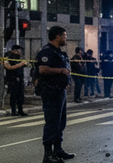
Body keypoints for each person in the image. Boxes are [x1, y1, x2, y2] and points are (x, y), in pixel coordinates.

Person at [37, 26, 74, 162]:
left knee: (60, 122)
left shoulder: (60, 53)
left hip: (60, 91)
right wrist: (61, 71)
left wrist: (66, 82)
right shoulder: (46, 52)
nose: (65, 38)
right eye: (64, 35)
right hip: (50, 91)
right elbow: (43, 69)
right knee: (52, 122)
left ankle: (58, 150)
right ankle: (48, 154)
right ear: (57, 36)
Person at [4, 44, 28, 116]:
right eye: (17, 51)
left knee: (20, 96)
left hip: (20, 79)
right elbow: (8, 67)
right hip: (13, 79)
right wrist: (20, 64)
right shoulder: (8, 57)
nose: (19, 52)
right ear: (13, 51)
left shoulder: (19, 58)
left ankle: (20, 110)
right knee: (13, 95)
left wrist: (25, 63)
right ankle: (13, 111)